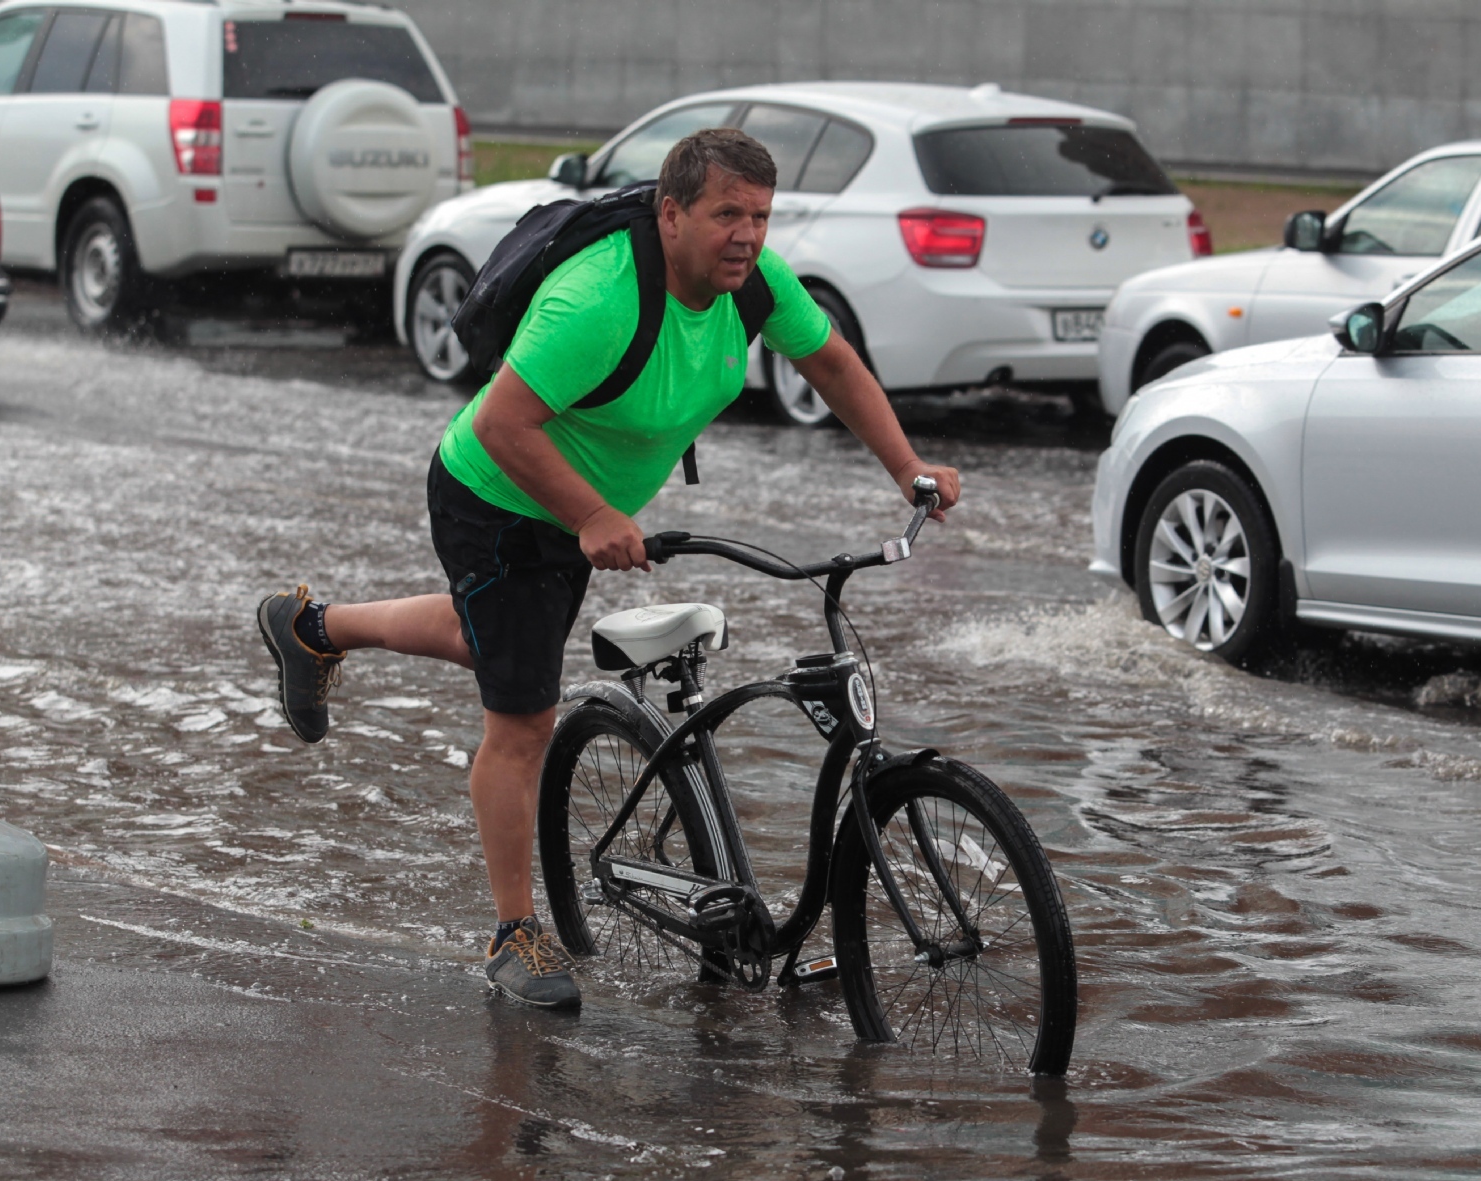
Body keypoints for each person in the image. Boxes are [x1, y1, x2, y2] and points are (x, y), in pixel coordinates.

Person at [255, 129, 961, 1010]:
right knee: (523, 714)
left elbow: (827, 360)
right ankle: (515, 933)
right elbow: (497, 427)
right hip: (501, 499)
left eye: (762, 217)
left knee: (501, 646)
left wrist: (906, 465)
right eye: (725, 215)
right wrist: (589, 513)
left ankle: (313, 628)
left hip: (590, 511)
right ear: (670, 215)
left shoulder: (753, 286)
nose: (747, 235)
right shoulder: (598, 301)